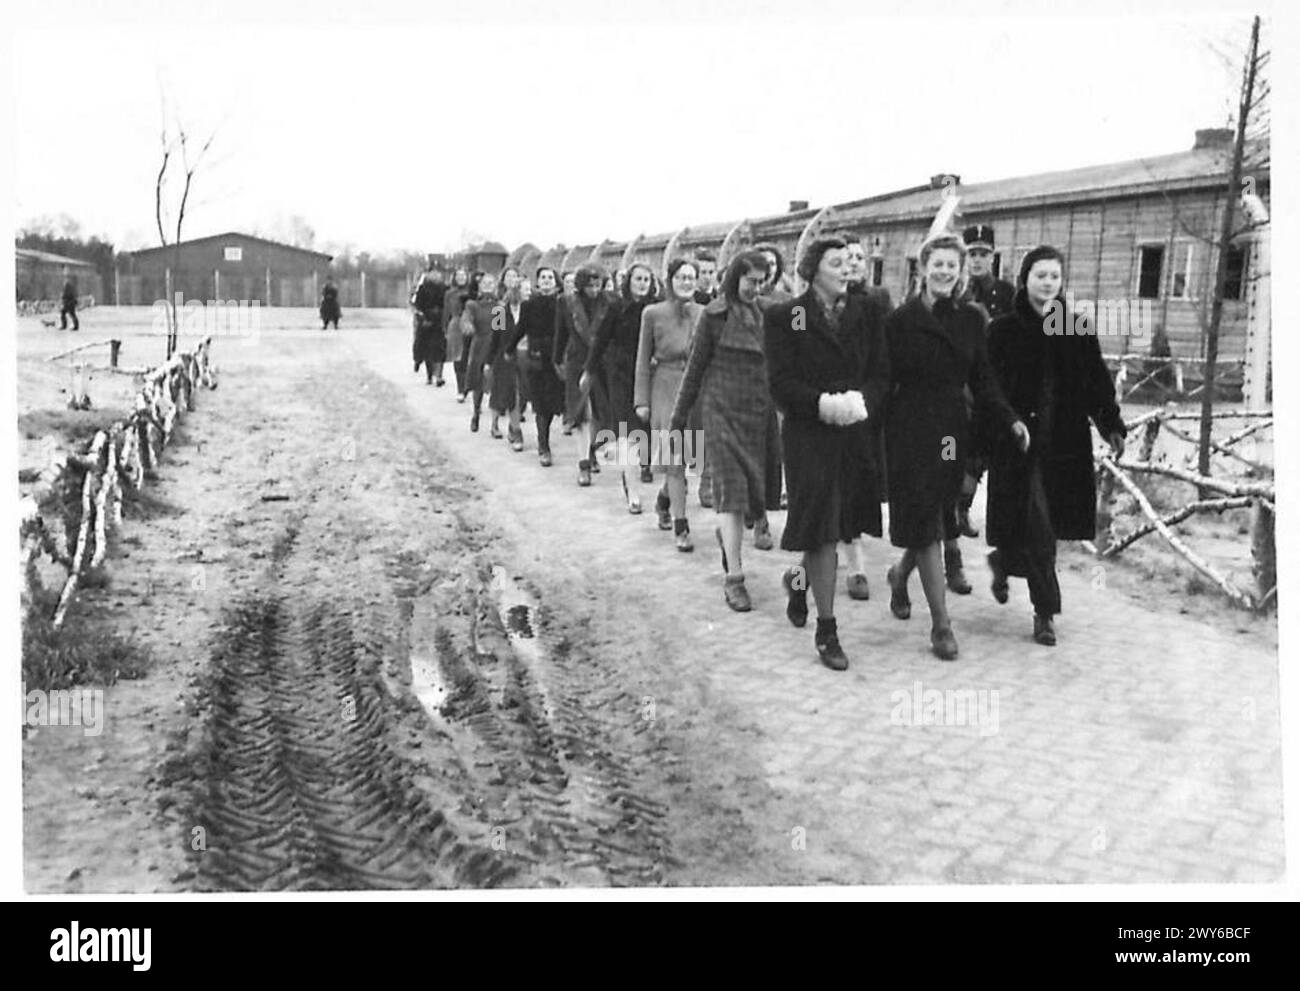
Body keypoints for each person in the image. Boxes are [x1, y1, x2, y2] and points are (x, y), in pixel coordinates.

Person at [882, 232, 1029, 661]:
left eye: (952, 265)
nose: (945, 271)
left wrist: (1010, 418)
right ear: (923, 268)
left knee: (938, 513)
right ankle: (941, 626)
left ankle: (899, 574)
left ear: (960, 271)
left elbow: (983, 379)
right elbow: (882, 380)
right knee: (927, 519)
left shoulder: (971, 319)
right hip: (908, 430)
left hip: (949, 433)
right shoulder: (900, 321)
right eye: (938, 264)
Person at [985, 245, 1127, 646]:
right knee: (1036, 526)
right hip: (1018, 444)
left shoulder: (1076, 328)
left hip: (1062, 445)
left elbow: (1096, 381)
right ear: (1025, 278)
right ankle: (1045, 611)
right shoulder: (1003, 330)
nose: (1047, 283)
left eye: (1054, 276)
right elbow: (988, 388)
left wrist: (1111, 424)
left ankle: (1005, 562)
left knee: (1039, 528)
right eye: (1040, 275)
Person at [765, 237, 889, 669]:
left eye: (849, 262)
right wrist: (821, 404)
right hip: (808, 435)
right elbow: (780, 382)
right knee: (821, 526)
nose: (846, 269)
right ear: (813, 268)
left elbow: (880, 369)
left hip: (854, 433)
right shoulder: (791, 315)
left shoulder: (866, 310)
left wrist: (861, 402)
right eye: (836, 263)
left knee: (834, 524)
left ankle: (798, 582)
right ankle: (827, 629)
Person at [673, 250, 782, 612]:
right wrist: (678, 418)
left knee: (754, 495)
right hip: (720, 413)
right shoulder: (713, 316)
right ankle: (734, 578)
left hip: (758, 414)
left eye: (761, 281)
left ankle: (728, 533)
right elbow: (694, 369)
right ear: (734, 277)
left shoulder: (771, 314)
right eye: (750, 280)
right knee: (731, 493)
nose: (756, 287)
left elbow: (788, 359)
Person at [837, 231, 895, 601]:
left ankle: (848, 561)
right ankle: (849, 564)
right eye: (847, 257)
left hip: (866, 407)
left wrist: (868, 401)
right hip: (828, 406)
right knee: (835, 486)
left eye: (860, 257)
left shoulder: (878, 300)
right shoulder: (818, 303)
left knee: (859, 485)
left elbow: (886, 355)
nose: (855, 262)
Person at [954, 223, 1018, 540]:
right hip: (957, 381)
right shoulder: (956, 290)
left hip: (991, 382)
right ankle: (949, 508)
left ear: (992, 256)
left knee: (979, 455)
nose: (977, 260)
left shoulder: (1006, 293)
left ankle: (962, 509)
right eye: (971, 254)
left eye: (983, 254)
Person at [636, 258, 702, 550]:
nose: (687, 282)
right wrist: (641, 400)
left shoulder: (706, 313)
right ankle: (681, 525)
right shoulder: (652, 313)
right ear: (670, 280)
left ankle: (664, 499)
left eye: (691, 277)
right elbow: (642, 358)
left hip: (697, 387)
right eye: (681, 277)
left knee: (691, 456)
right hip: (664, 386)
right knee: (674, 457)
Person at [588, 262, 657, 514]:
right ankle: (633, 490)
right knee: (627, 434)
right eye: (638, 279)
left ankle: (644, 470)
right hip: (619, 376)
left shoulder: (655, 309)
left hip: (649, 377)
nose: (642, 284)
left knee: (647, 433)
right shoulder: (616, 308)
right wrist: (588, 370)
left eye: (647, 280)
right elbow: (600, 341)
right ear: (628, 281)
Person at [554, 265, 615, 486]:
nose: (594, 290)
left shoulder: (610, 303)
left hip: (602, 362)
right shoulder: (566, 302)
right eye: (589, 285)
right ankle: (582, 464)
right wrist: (556, 359)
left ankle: (591, 450)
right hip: (576, 361)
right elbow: (560, 333)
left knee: (599, 413)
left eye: (598, 284)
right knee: (580, 414)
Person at [509, 267, 566, 466]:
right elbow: (507, 331)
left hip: (553, 357)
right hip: (527, 356)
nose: (547, 281)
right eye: (543, 277)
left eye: (550, 277)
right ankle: (516, 432)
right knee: (516, 396)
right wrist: (502, 352)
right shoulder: (499, 307)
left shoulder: (562, 303)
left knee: (547, 402)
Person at [488, 267, 525, 449]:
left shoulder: (528, 310)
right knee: (502, 391)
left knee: (518, 395)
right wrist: (489, 361)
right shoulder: (499, 310)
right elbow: (495, 337)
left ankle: (514, 428)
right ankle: (496, 423)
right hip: (504, 357)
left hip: (524, 358)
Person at [460, 271, 499, 432]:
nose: (488, 286)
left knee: (497, 384)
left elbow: (500, 329)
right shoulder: (472, 305)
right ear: (480, 287)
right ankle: (476, 413)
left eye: (491, 283)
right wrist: (468, 326)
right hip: (479, 344)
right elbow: (466, 319)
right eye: (485, 284)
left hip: (495, 345)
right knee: (478, 383)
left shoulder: (499, 306)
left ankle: (495, 424)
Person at [410, 268, 445, 384]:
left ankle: (438, 375)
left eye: (437, 272)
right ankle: (430, 374)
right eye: (433, 272)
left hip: (439, 322)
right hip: (426, 322)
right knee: (427, 349)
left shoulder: (444, 288)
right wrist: (423, 318)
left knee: (439, 349)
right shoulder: (423, 288)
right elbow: (417, 305)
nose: (435, 275)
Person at [443, 268, 471, 400]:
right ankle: (460, 388)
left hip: (470, 324)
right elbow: (446, 311)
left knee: (469, 357)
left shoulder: (471, 292)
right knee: (457, 357)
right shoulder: (449, 293)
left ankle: (468, 386)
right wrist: (444, 328)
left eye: (463, 275)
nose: (461, 278)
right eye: (458, 275)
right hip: (455, 325)